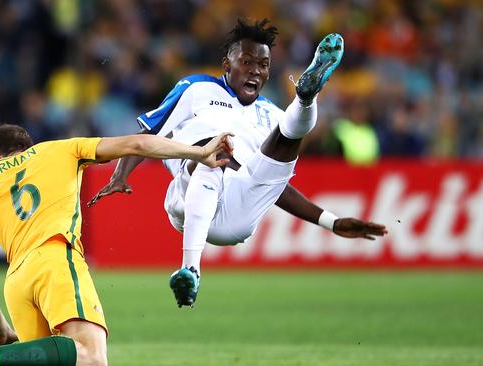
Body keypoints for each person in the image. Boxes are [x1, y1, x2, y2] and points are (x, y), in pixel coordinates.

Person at [88, 19, 388, 307]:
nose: (255, 71)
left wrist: (331, 222)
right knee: (215, 153)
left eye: (263, 65)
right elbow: (149, 132)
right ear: (227, 64)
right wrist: (120, 173)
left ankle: (306, 96)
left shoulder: (270, 113)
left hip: (238, 212)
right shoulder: (196, 89)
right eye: (247, 62)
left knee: (285, 135)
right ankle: (190, 271)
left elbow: (274, 187)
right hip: (188, 197)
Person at [0, 124, 234, 366]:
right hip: (54, 260)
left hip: (16, 282)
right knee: (91, 356)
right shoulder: (59, 149)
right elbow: (137, 144)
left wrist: (2, 331)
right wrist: (199, 152)